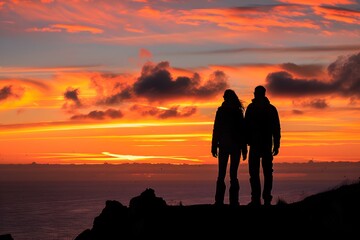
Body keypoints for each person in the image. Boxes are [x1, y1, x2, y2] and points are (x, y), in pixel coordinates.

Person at [245, 85, 281, 206]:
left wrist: (277, 144)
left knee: (263, 173)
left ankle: (262, 199)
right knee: (259, 173)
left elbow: (276, 128)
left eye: (257, 93)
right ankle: (259, 199)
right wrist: (276, 144)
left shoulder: (267, 109)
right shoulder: (268, 109)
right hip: (259, 145)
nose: (255, 95)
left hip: (262, 145)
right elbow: (246, 128)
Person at [211, 89, 247, 206]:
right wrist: (244, 149)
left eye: (225, 97)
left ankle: (220, 202)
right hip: (232, 146)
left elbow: (216, 129)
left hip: (226, 146)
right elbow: (242, 131)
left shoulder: (222, 111)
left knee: (223, 174)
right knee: (232, 175)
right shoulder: (237, 112)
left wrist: (214, 145)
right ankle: (233, 202)